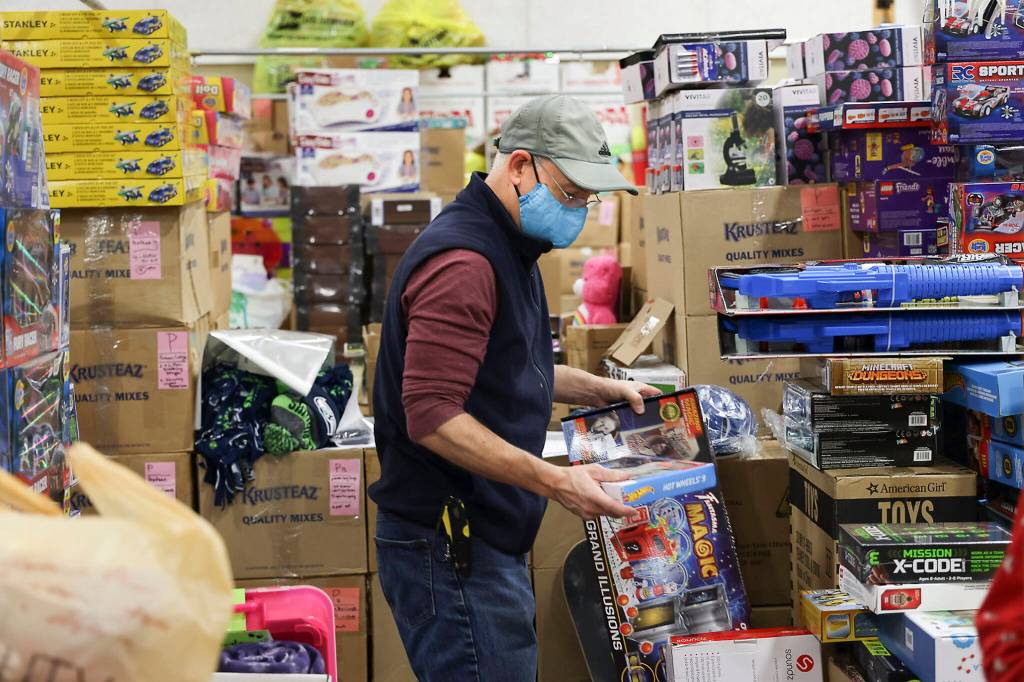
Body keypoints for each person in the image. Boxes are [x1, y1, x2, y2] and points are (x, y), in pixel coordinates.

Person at [369, 94, 655, 682]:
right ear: (520, 165)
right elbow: (432, 413)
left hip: (479, 536)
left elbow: (499, 369)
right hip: (452, 546)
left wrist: (592, 388)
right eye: (571, 193)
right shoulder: (465, 264)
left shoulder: (510, 243)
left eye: (586, 198)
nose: (577, 210)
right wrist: (558, 483)